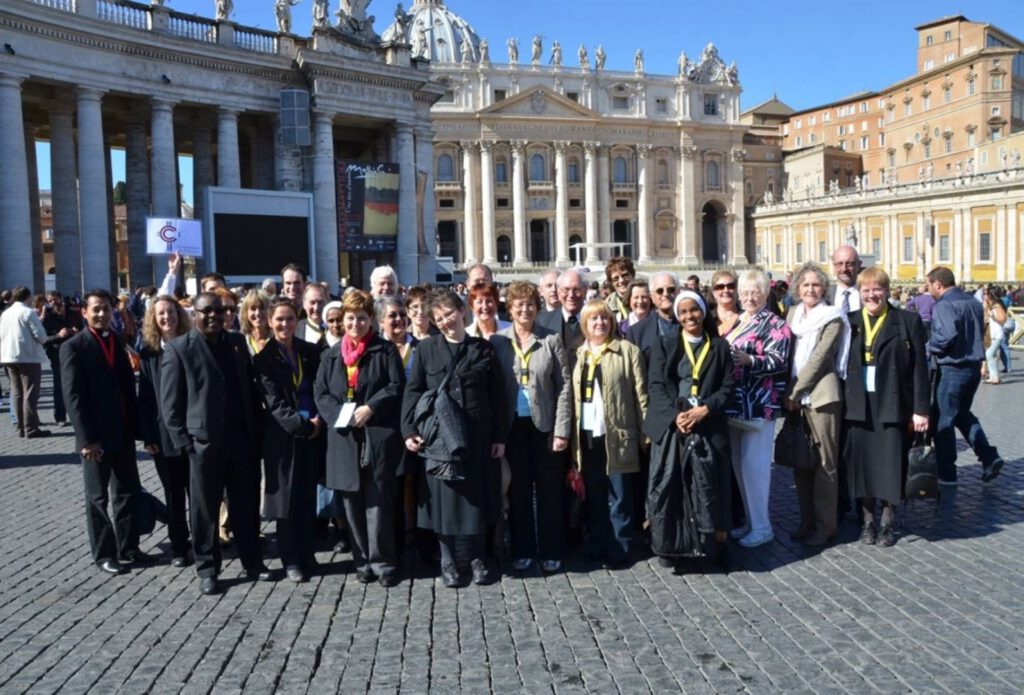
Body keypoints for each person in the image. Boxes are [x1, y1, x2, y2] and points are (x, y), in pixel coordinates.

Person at [160, 291, 271, 595]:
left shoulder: (236, 343)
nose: (213, 316)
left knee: (246, 506)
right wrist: (185, 444)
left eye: (218, 311)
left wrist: (255, 432)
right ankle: (208, 567)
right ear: (193, 314)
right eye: (206, 311)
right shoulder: (179, 349)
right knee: (205, 510)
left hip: (240, 440)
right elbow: (170, 405)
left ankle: (253, 561)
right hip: (203, 445)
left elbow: (248, 389)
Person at [400, 289, 508, 587]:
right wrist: (409, 430)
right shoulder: (426, 350)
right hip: (440, 439)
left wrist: (499, 436)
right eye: (439, 318)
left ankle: (477, 558)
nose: (446, 321)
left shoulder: (483, 349)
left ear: (462, 311)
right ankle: (447, 561)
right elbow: (413, 392)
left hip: (477, 435)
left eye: (449, 314)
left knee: (477, 500)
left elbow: (497, 396)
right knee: (443, 503)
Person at [315, 291, 405, 586]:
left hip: (375, 435)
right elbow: (321, 394)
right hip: (344, 438)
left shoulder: (385, 350)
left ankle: (384, 562)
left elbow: (395, 385)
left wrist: (371, 407)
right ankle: (362, 560)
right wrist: (338, 415)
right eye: (350, 318)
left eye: (362, 318)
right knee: (351, 504)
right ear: (342, 321)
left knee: (378, 502)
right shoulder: (330, 356)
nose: (356, 324)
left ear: (371, 320)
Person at [61, 289, 150, 575]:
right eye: (96, 309)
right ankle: (104, 553)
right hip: (95, 437)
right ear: (84, 312)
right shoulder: (74, 346)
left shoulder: (118, 340)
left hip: (122, 431)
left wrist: (138, 429)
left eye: (106, 309)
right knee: (97, 498)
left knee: (127, 492)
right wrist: (86, 439)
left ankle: (129, 546)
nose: (101, 314)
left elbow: (127, 388)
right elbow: (73, 397)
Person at [644, 290, 735, 567]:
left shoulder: (719, 347)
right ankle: (671, 546)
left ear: (703, 313)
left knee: (710, 488)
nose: (688, 317)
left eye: (693, 311)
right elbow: (657, 386)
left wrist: (706, 408)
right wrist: (676, 416)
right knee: (671, 487)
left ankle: (711, 545)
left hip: (708, 423)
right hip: (676, 427)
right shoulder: (665, 344)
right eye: (682, 312)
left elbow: (728, 387)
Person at [844, 268, 930, 547]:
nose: (872, 295)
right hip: (859, 404)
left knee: (891, 466)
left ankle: (887, 522)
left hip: (892, 403)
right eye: (866, 290)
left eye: (877, 289)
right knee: (864, 467)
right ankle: (867, 521)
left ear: (887, 290)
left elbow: (919, 369)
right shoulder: (850, 322)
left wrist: (921, 410)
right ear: (860, 293)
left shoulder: (907, 321)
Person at [492, 282, 571, 573]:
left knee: (549, 492)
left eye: (530, 305)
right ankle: (523, 549)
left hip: (544, 425)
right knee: (519, 491)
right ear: (510, 308)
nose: (525, 310)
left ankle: (552, 549)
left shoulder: (551, 340)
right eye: (519, 305)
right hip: (512, 427)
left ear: (537, 308)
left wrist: (561, 429)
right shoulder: (498, 341)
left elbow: (564, 387)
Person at [571, 300, 648, 568]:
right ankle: (597, 544)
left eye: (604, 318)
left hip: (619, 433)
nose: (600, 323)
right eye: (593, 319)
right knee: (594, 494)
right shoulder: (578, 355)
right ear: (585, 324)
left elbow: (641, 396)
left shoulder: (627, 351)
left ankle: (620, 547)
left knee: (620, 495)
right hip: (588, 436)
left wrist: (644, 433)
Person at [253, 298, 324, 583]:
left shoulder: (309, 351)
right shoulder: (263, 359)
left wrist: (319, 419)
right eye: (279, 320)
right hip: (283, 439)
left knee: (307, 498)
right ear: (270, 322)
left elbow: (321, 387)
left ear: (298, 320)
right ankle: (291, 559)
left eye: (290, 319)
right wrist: (304, 426)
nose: (285, 325)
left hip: (313, 433)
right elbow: (274, 403)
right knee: (285, 502)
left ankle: (308, 554)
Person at [782, 264, 851, 547]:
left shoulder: (832, 317)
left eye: (816, 285)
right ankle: (806, 520)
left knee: (825, 465)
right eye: (805, 284)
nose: (810, 289)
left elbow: (819, 359)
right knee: (802, 461)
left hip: (822, 398)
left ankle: (826, 526)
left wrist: (794, 393)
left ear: (824, 288)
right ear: (797, 288)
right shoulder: (793, 315)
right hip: (795, 399)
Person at [723, 270, 792, 548]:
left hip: (760, 404)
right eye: (745, 292)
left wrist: (750, 360)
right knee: (740, 466)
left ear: (766, 294)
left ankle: (763, 527)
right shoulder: (740, 321)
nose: (749, 297)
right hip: (738, 404)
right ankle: (751, 522)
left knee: (755, 467)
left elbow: (780, 360)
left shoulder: (775, 323)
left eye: (755, 292)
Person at [926, 267, 1006, 484]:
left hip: (952, 369)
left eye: (929, 285)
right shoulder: (972, 301)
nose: (928, 289)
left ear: (938, 284)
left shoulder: (944, 304)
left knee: (944, 420)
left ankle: (947, 472)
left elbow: (947, 336)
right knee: (962, 414)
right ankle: (989, 456)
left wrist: (928, 346)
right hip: (972, 368)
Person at [137, 295, 193, 567]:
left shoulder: (192, 345)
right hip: (163, 437)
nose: (166, 317)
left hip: (193, 432)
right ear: (153, 320)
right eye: (160, 314)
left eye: (170, 312)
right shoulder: (148, 354)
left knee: (198, 493)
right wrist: (148, 436)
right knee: (173, 494)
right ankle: (180, 546)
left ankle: (205, 542)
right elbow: (145, 398)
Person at [0, 287, 50, 438]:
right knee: (30, 392)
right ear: (27, 297)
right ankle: (31, 428)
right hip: (27, 357)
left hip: (8, 356)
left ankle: (20, 427)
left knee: (16, 392)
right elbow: (40, 335)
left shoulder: (5, 313)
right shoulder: (28, 312)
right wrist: (45, 339)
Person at [625, 272, 679, 365]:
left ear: (677, 292)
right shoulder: (636, 332)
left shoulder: (691, 324)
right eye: (659, 291)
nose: (665, 294)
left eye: (671, 289)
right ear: (652, 297)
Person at [537, 269, 586, 366]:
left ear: (585, 290)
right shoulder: (541, 322)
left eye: (576, 289)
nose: (571, 295)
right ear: (559, 293)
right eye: (566, 290)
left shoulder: (600, 320)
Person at [41, 291, 75, 426]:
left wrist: (76, 332)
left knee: (76, 386)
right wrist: (58, 336)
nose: (53, 302)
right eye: (50, 301)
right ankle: (60, 417)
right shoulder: (48, 318)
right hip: (57, 355)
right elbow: (44, 340)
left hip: (74, 354)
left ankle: (76, 415)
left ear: (61, 299)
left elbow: (84, 330)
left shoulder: (73, 314)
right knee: (59, 387)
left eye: (55, 299)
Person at [982, 288, 1008, 385]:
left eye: (986, 294)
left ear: (990, 295)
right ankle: (993, 377)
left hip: (998, 334)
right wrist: (986, 308)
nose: (984, 296)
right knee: (992, 356)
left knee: (989, 354)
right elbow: (986, 318)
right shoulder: (991, 306)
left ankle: (995, 377)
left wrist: (992, 316)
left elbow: (1003, 319)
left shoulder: (997, 306)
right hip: (992, 333)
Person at [828, 245, 863, 313]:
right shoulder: (824, 296)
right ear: (834, 266)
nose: (844, 269)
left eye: (849, 264)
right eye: (839, 264)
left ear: (859, 265)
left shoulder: (869, 295)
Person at [239, 290, 272, 356]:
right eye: (253, 309)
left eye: (262, 308)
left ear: (270, 310)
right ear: (246, 313)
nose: (257, 313)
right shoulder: (240, 341)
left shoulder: (278, 340)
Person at [604, 257, 635, 325]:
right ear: (611, 283)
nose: (621, 281)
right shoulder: (606, 306)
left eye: (624, 275)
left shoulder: (647, 300)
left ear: (632, 275)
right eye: (616, 278)